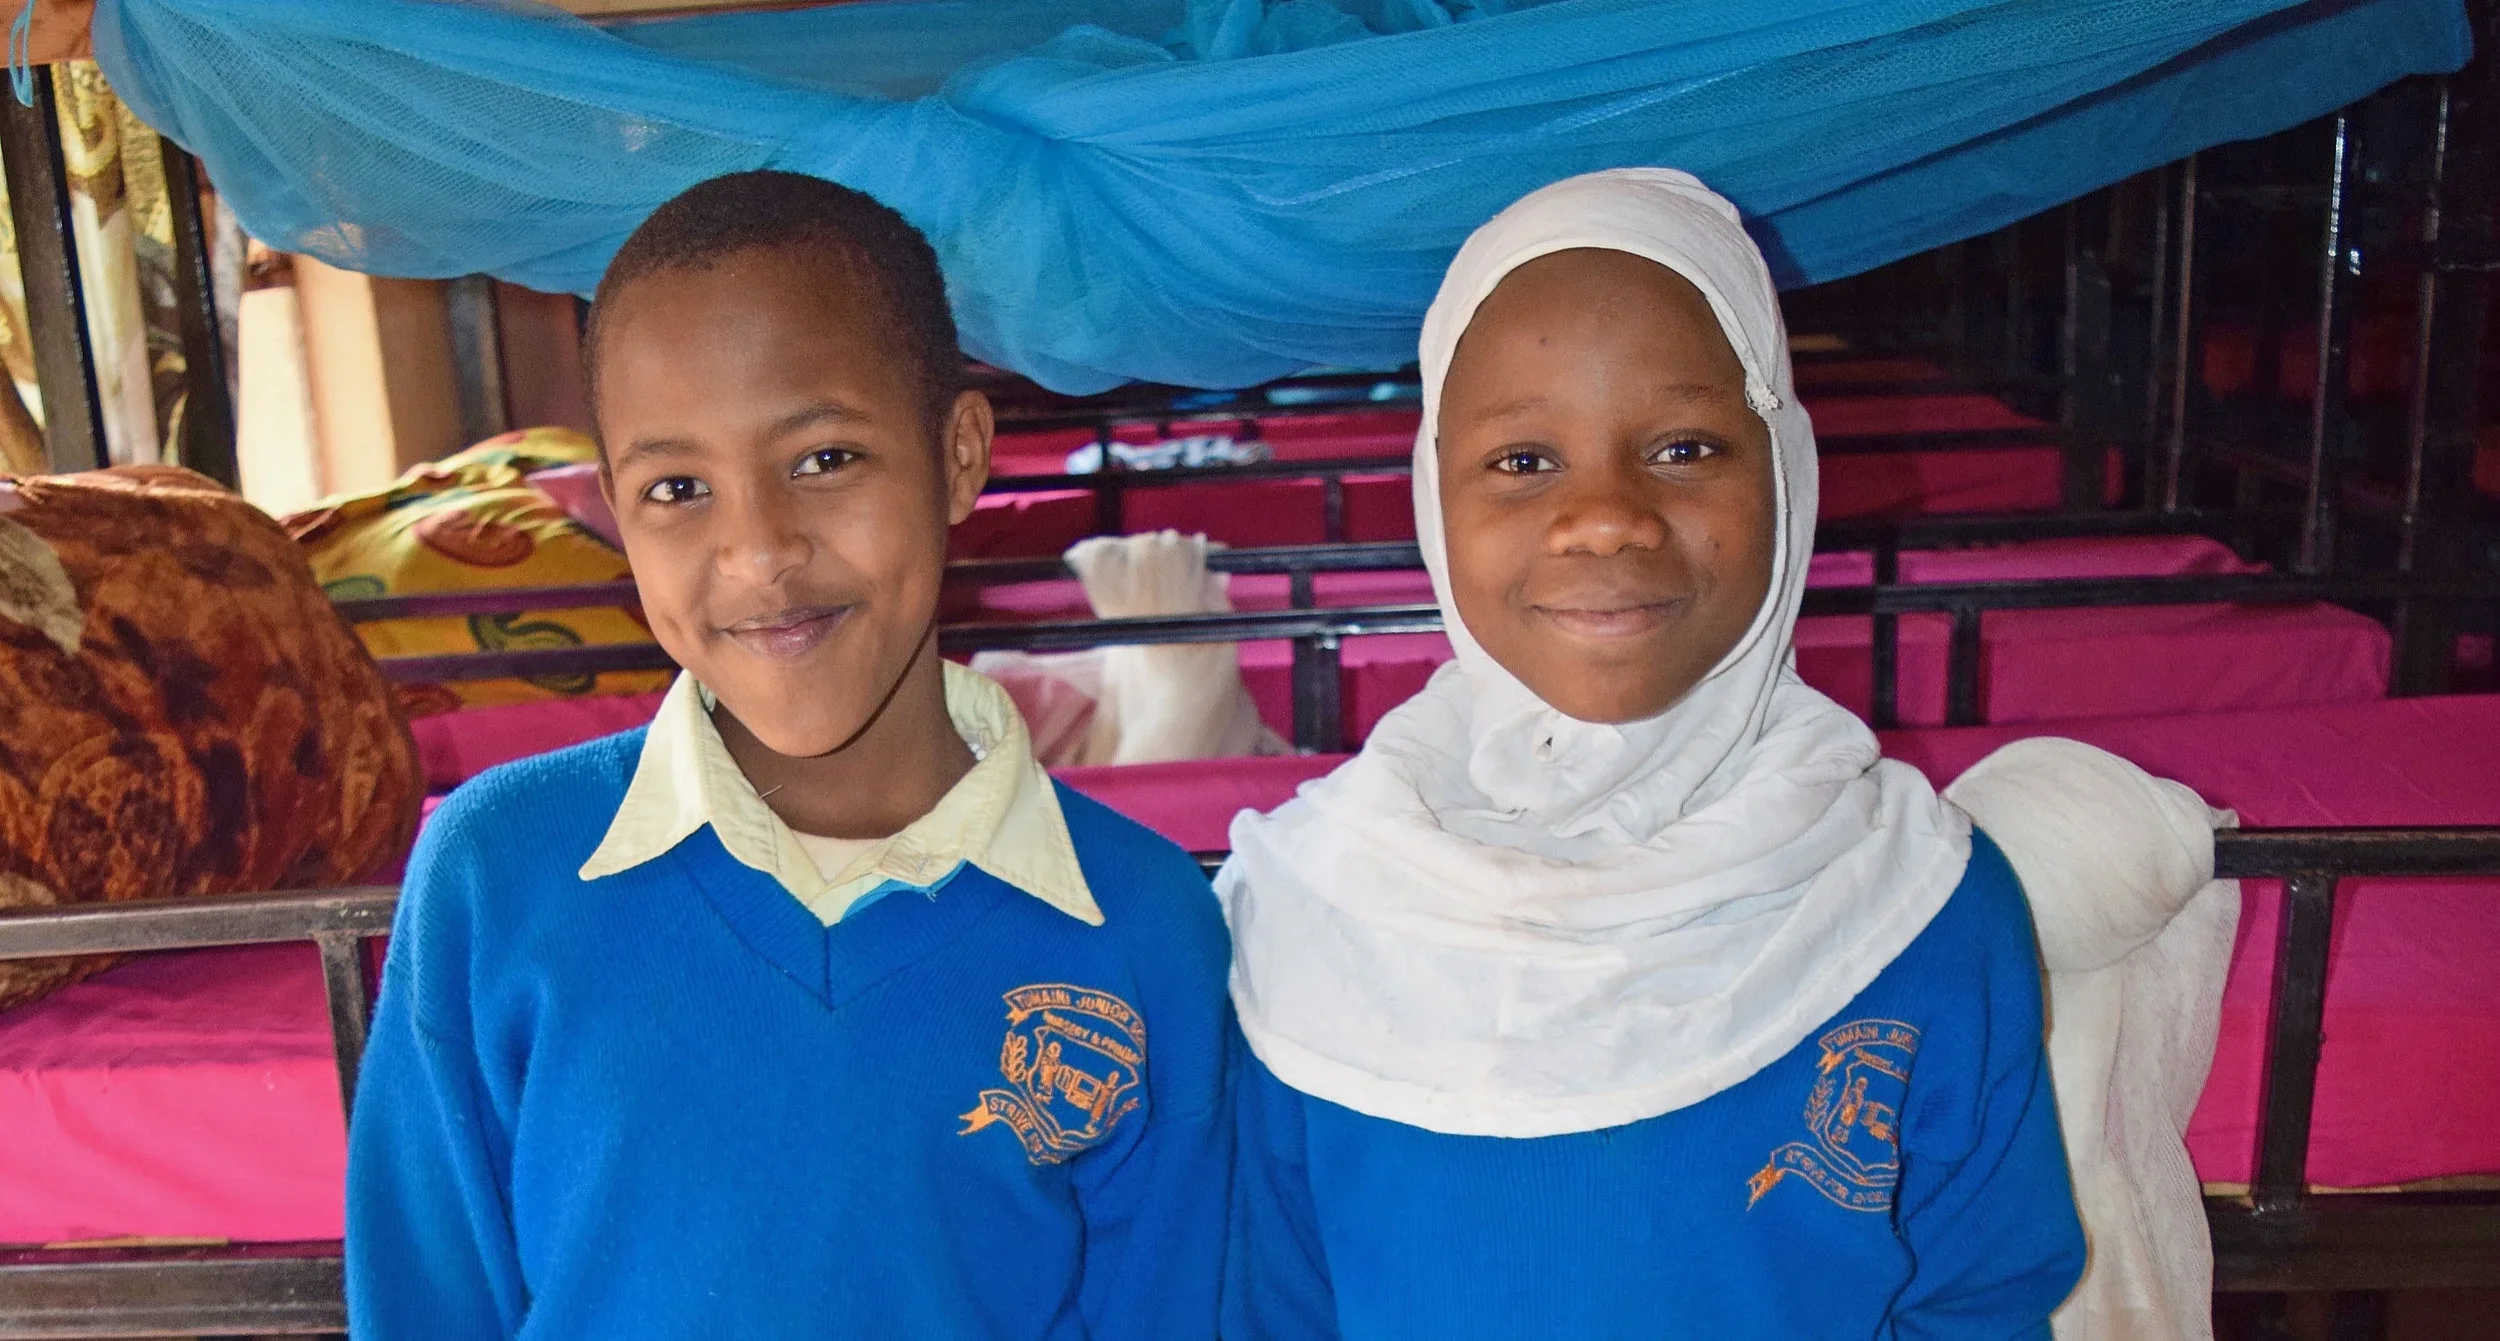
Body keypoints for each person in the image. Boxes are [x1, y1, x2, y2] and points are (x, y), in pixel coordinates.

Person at [347, 170, 1231, 1339]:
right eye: (678, 488)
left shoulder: (1142, 922)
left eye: (824, 460)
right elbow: (427, 1301)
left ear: (959, 453)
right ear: (617, 511)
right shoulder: (496, 873)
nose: (758, 551)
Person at [1219, 169, 2085, 1339]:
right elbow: (1272, 1305)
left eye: (1682, 447)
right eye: (1522, 462)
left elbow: (1979, 1301)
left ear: (1784, 473)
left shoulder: (1914, 899)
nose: (1607, 516)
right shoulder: (1306, 908)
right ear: (1432, 496)